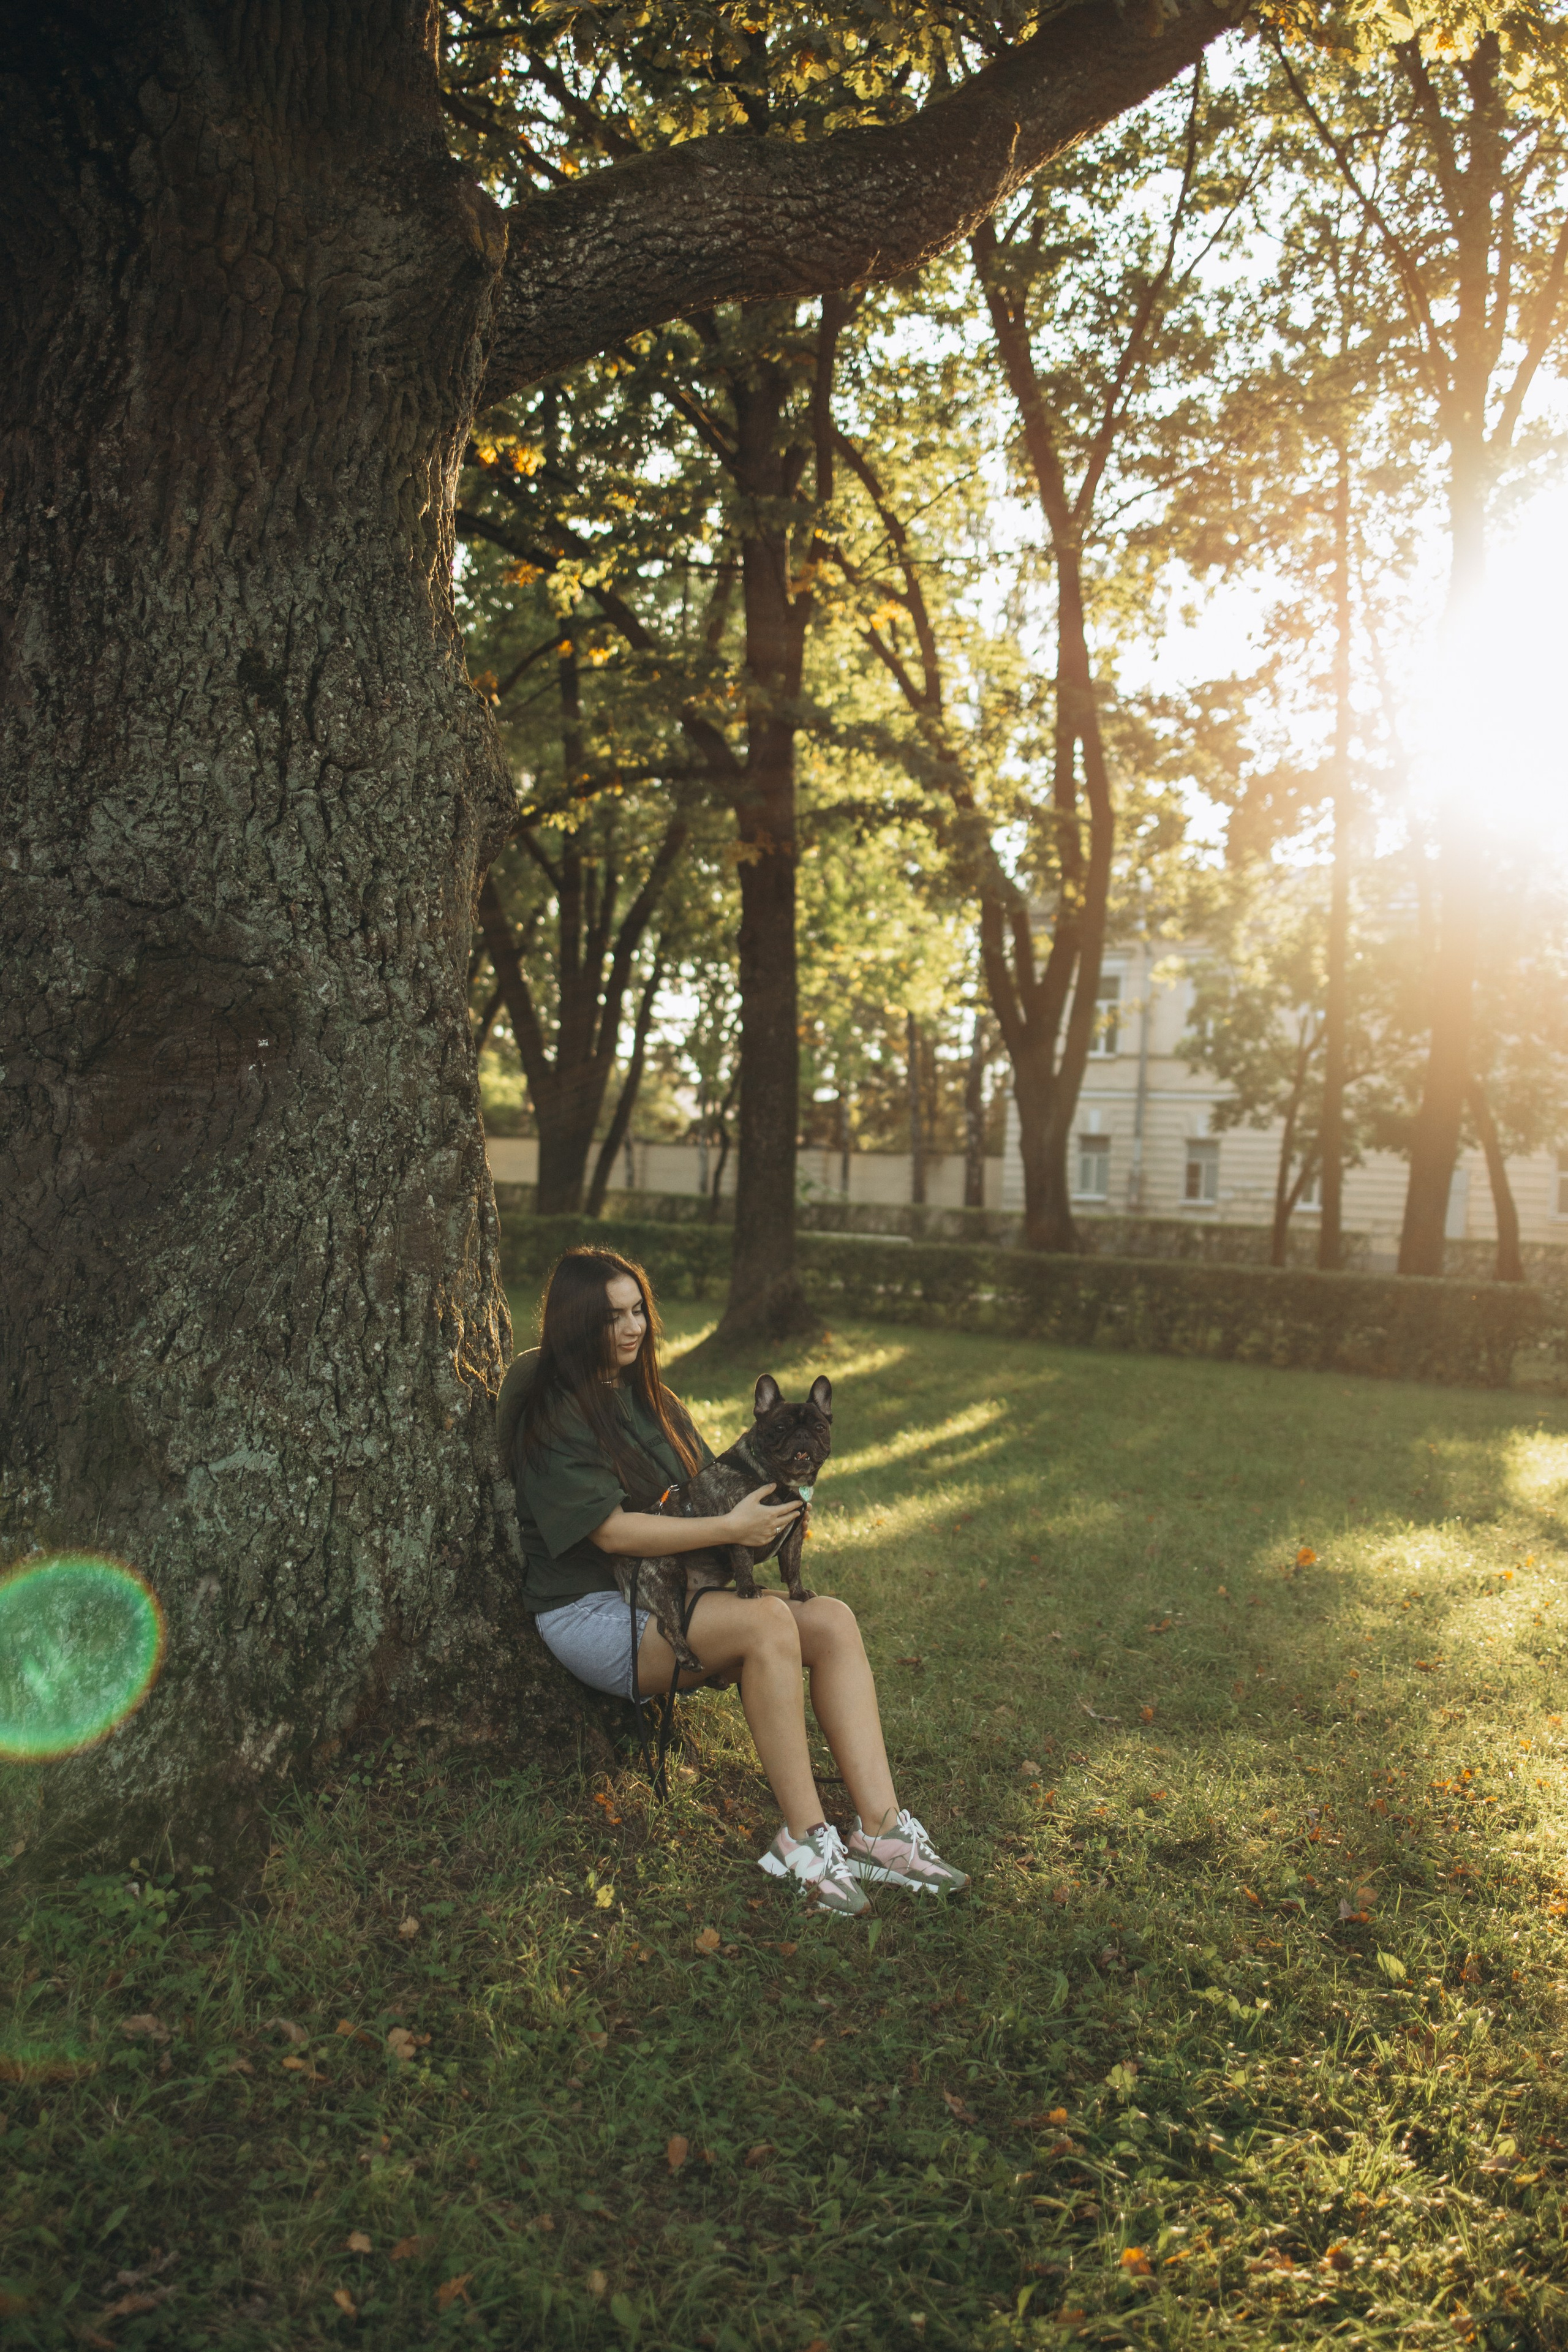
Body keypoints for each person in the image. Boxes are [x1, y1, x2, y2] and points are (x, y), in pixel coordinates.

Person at [497, 1246, 967, 1917]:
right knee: (766, 1621)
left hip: (673, 1590)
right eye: (611, 1318)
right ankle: (802, 1841)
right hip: (592, 1611)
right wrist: (730, 1532)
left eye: (638, 1311)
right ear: (576, 1325)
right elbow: (613, 1534)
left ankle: (882, 1832)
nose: (632, 1329)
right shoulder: (555, 1415)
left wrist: (770, 1516)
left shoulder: (654, 1402)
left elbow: (704, 1498)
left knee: (831, 1619)